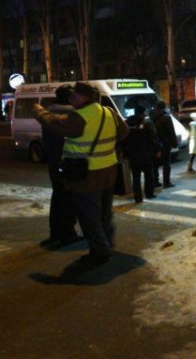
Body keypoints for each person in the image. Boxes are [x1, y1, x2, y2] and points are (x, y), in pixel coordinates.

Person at [33, 81, 129, 267]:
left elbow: (57, 124)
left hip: (88, 174)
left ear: (85, 97)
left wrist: (39, 112)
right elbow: (124, 132)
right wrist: (107, 145)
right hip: (109, 170)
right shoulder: (109, 112)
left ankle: (100, 253)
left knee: (89, 217)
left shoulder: (80, 116)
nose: (71, 99)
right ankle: (107, 244)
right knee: (104, 214)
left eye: (74, 96)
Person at [34, 84, 80, 249]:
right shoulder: (72, 114)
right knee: (69, 198)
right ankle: (68, 234)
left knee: (58, 197)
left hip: (54, 162)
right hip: (69, 162)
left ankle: (55, 233)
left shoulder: (48, 113)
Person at [124, 105, 162, 202]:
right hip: (146, 154)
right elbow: (153, 137)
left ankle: (138, 197)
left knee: (136, 177)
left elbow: (124, 139)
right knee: (149, 175)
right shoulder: (147, 122)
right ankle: (149, 193)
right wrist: (158, 149)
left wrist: (125, 152)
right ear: (143, 112)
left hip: (133, 155)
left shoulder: (127, 122)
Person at [151, 100, 177, 189]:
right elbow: (171, 131)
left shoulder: (151, 115)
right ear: (164, 107)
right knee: (166, 163)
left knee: (155, 163)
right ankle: (166, 182)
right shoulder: (166, 117)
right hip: (165, 143)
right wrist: (174, 143)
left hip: (155, 143)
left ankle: (155, 182)